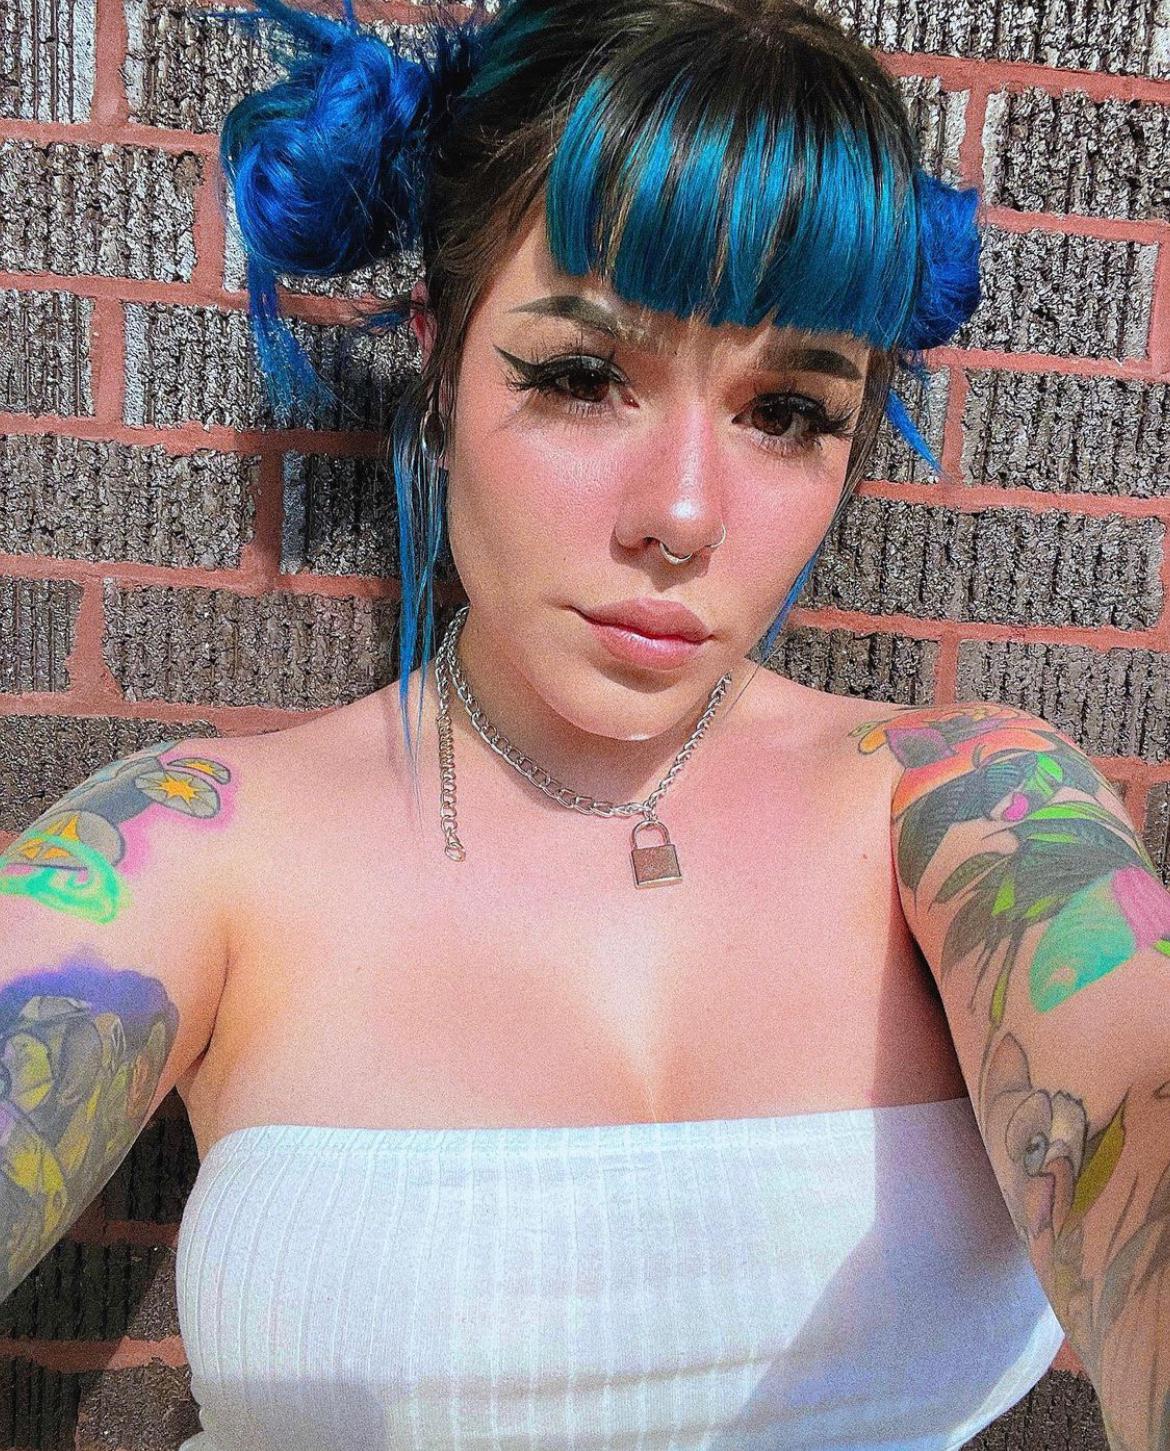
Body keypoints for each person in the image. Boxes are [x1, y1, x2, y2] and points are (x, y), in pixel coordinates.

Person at [18, 0, 1167, 1443]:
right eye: (579, 377)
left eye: (788, 412)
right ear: (439, 362)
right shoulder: (195, 849)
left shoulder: (971, 809)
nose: (682, 515)